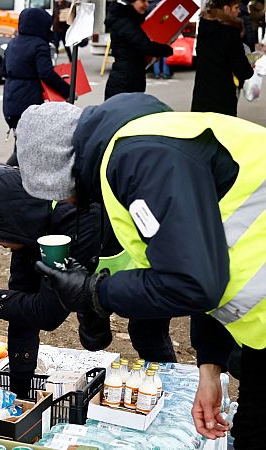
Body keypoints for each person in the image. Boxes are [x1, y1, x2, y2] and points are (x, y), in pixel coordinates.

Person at [13, 94, 266, 449]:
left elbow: (191, 281)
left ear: (60, 169)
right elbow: (210, 259)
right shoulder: (143, 142)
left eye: (60, 194)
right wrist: (211, 366)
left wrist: (93, 292)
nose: (69, 203)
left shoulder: (139, 159)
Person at [0, 163, 176, 398]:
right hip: (92, 270)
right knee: (93, 338)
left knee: (147, 334)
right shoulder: (25, 231)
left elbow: (47, 313)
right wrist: (19, 394)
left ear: (12, 221)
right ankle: (92, 308)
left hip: (149, 263)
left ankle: (173, 397)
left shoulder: (76, 219)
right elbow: (23, 311)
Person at [2, 8, 70, 166]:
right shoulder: (39, 45)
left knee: (21, 139)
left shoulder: (13, 43)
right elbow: (46, 74)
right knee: (24, 147)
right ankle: (5, 175)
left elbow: (5, 70)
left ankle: (16, 178)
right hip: (28, 98)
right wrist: (67, 90)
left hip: (11, 97)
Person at [191, 0, 254, 116]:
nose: (239, 11)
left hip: (201, 95)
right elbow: (242, 70)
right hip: (222, 96)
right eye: (236, 8)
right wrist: (249, 67)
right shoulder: (230, 32)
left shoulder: (204, 26)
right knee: (222, 132)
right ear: (226, 8)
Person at [104, 0, 173, 100]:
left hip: (131, 77)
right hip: (125, 80)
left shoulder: (131, 19)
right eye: (142, 1)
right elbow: (145, 45)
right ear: (131, 2)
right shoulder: (126, 21)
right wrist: (167, 50)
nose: (147, 4)